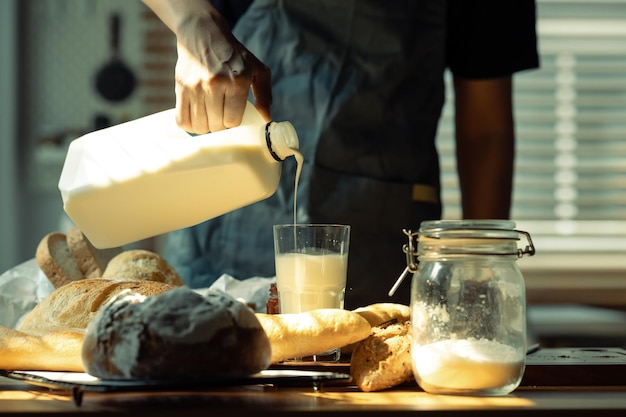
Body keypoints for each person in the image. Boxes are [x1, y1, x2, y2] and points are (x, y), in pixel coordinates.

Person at [142, 0, 539, 309]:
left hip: (379, 234)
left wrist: (480, 275)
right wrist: (192, 19)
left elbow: (485, 129)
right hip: (224, 220)